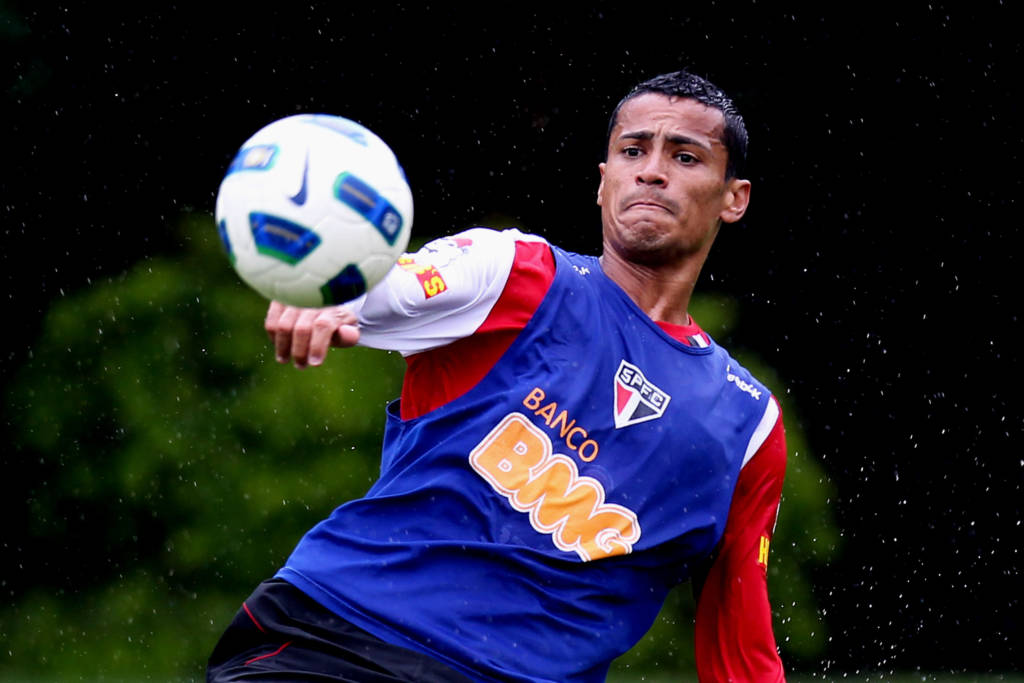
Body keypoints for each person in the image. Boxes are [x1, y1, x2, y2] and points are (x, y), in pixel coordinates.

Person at [208, 70, 787, 682]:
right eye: (633, 150)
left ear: (734, 197)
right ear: (603, 180)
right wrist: (322, 288)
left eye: (686, 155)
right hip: (339, 640)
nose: (651, 170)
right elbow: (388, 284)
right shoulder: (515, 271)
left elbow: (740, 648)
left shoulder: (746, 425)